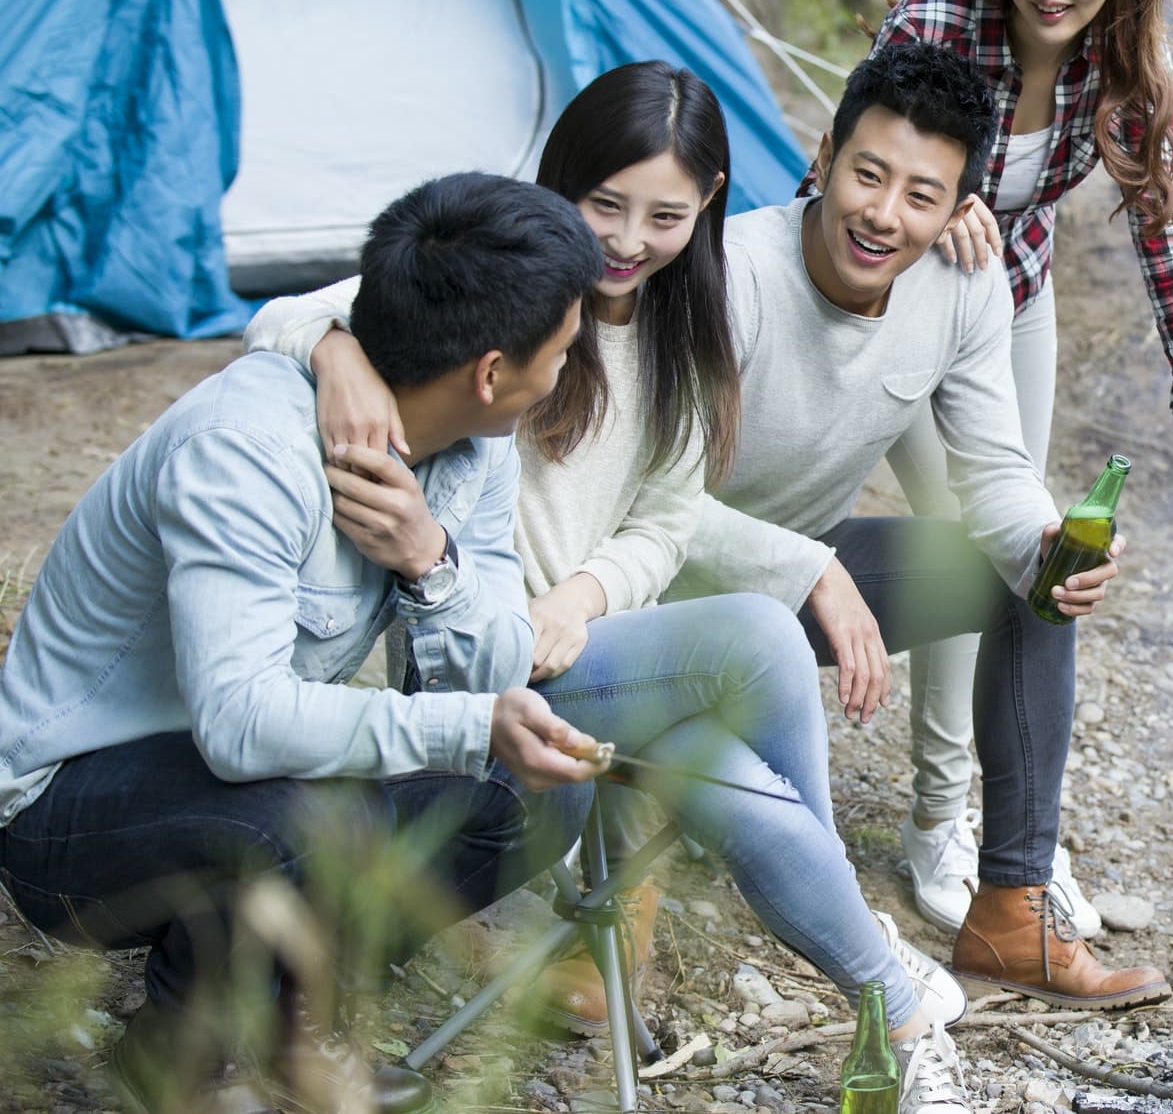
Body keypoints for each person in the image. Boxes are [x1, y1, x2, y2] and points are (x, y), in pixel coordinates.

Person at [244, 63, 973, 1114]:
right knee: (760, 637)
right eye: (604, 205)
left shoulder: (687, 331)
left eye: (664, 215)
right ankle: (883, 977)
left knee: (725, 761)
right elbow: (279, 317)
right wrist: (336, 351)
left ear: (708, 203)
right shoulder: (508, 279)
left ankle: (888, 1012)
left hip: (584, 646)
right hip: (475, 658)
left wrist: (581, 596)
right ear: (562, 183)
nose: (627, 240)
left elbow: (664, 522)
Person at [0, 173, 608, 1114]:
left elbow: (490, 663)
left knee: (526, 801)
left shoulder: (478, 447)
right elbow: (239, 726)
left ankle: (283, 1000)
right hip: (69, 805)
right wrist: (466, 723)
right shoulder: (246, 449)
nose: (567, 367)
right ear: (491, 370)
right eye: (563, 350)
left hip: (241, 779)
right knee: (311, 818)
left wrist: (429, 560)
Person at [811, 0, 1173, 936]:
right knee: (964, 554)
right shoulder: (939, 16)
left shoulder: (1127, 62)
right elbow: (835, 167)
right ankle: (941, 820)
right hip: (900, 305)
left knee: (1024, 548)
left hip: (1007, 309)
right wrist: (933, 202)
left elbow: (1162, 222)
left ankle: (1013, 831)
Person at [668, 40, 1169, 1009]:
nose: (882, 214)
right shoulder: (730, 273)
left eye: (920, 195)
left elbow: (993, 471)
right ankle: (618, 899)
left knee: (1029, 584)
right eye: (866, 175)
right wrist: (810, 565)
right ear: (822, 155)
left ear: (958, 209)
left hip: (808, 578)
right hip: (668, 586)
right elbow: (655, 506)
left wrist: (1043, 541)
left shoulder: (963, 281)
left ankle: (1009, 910)